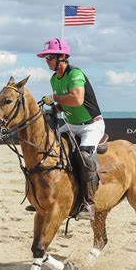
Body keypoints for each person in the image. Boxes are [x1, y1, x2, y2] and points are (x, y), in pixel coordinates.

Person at [36, 37, 105, 220]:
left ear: (62, 57)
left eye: (49, 57)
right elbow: (64, 106)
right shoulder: (54, 79)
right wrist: (47, 108)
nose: (47, 61)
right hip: (71, 125)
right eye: (46, 57)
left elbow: (76, 99)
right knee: (48, 150)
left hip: (91, 125)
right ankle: (45, 196)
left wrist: (56, 98)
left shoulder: (75, 74)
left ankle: (88, 204)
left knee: (84, 157)